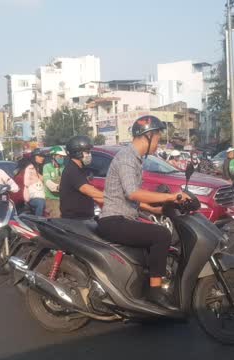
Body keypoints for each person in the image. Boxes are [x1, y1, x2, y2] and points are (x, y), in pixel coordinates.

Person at [97, 115, 189, 310]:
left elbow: (128, 197)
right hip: (113, 220)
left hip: (122, 217)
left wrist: (153, 208)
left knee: (156, 232)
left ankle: (143, 284)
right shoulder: (127, 158)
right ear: (147, 136)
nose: (158, 143)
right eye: (157, 138)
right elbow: (133, 192)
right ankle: (155, 293)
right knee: (161, 235)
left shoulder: (134, 159)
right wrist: (170, 197)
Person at [60, 136, 104, 220]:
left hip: (85, 218)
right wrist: (110, 196)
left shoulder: (80, 169)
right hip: (75, 221)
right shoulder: (72, 170)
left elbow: (93, 196)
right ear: (77, 153)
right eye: (87, 152)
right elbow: (88, 190)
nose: (89, 154)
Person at [43, 146, 67, 218]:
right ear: (53, 156)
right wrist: (62, 187)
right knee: (56, 218)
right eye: (60, 156)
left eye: (63, 157)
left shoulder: (63, 167)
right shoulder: (47, 167)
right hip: (51, 199)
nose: (62, 158)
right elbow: (49, 184)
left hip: (62, 198)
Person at [24, 148, 46, 216]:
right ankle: (37, 222)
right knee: (40, 203)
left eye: (43, 156)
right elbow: (26, 184)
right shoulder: (30, 168)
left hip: (43, 194)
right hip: (33, 196)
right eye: (39, 156)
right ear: (34, 157)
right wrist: (26, 200)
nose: (42, 158)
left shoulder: (42, 168)